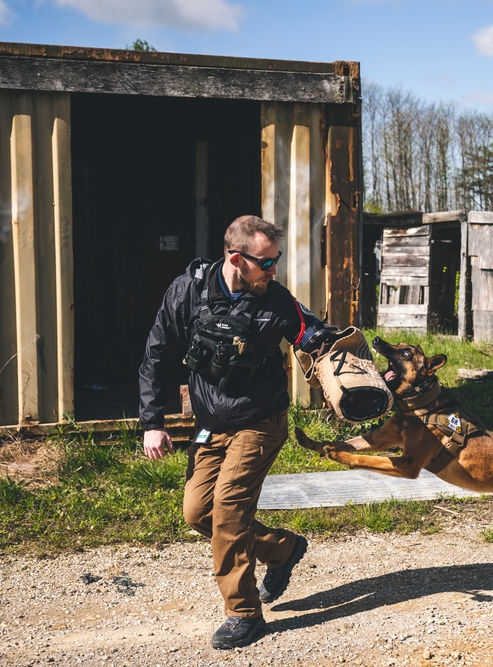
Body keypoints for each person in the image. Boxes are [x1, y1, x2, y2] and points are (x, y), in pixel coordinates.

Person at [139, 215, 336, 650]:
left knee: (229, 511)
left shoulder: (275, 299)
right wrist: (153, 423)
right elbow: (156, 355)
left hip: (260, 420)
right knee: (198, 513)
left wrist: (340, 363)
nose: (274, 270)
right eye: (266, 262)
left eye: (276, 260)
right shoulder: (187, 290)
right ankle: (283, 549)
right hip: (211, 424)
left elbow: (312, 334)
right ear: (236, 258)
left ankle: (244, 614)